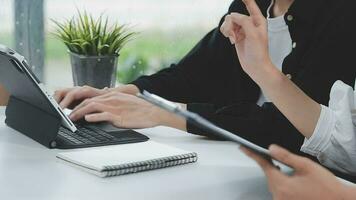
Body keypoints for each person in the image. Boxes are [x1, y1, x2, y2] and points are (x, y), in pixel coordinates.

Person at [55, 0, 356, 156]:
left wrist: (166, 114)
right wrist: (125, 93)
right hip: (238, 162)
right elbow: (194, 73)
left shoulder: (342, 15)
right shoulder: (251, 6)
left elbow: (291, 127)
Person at [219, 0, 356, 198]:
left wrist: (339, 195)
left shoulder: (341, 12)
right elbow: (345, 145)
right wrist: (261, 69)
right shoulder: (247, 10)